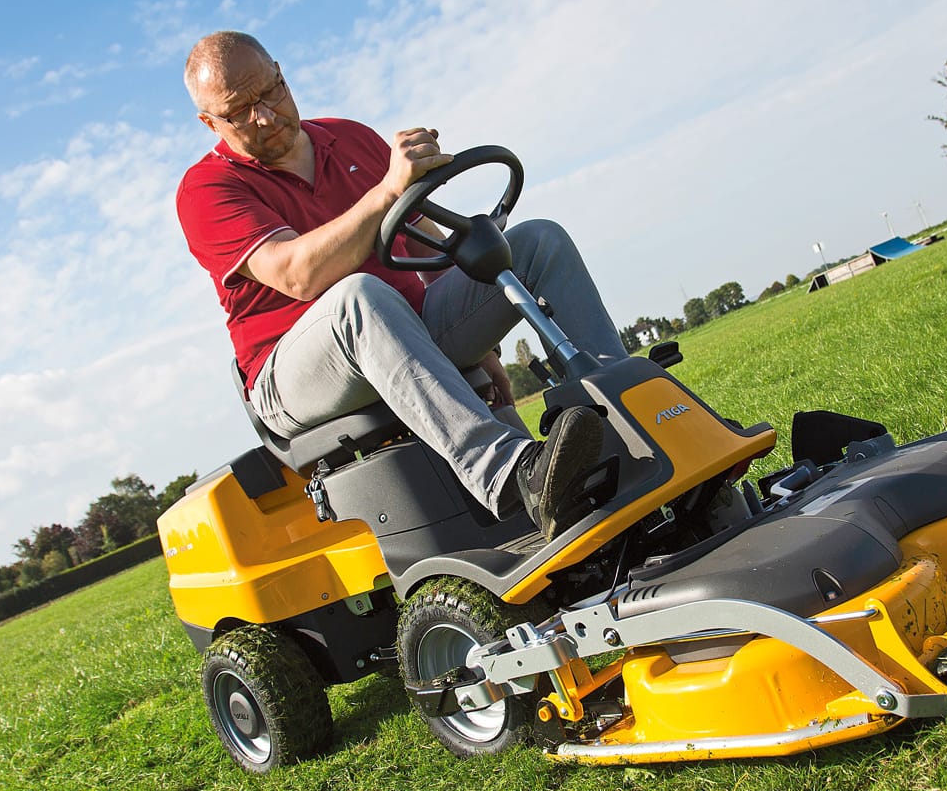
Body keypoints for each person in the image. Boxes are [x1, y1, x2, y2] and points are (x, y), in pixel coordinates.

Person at [175, 31, 627, 540]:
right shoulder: (207, 189)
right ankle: (510, 475)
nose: (264, 115)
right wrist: (387, 187)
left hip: (404, 327)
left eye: (270, 92)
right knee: (356, 295)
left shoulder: (349, 138)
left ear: (282, 73)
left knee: (536, 242)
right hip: (294, 374)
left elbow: (427, 241)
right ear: (209, 121)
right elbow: (297, 274)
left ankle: (622, 412)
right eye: (239, 111)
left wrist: (481, 351)